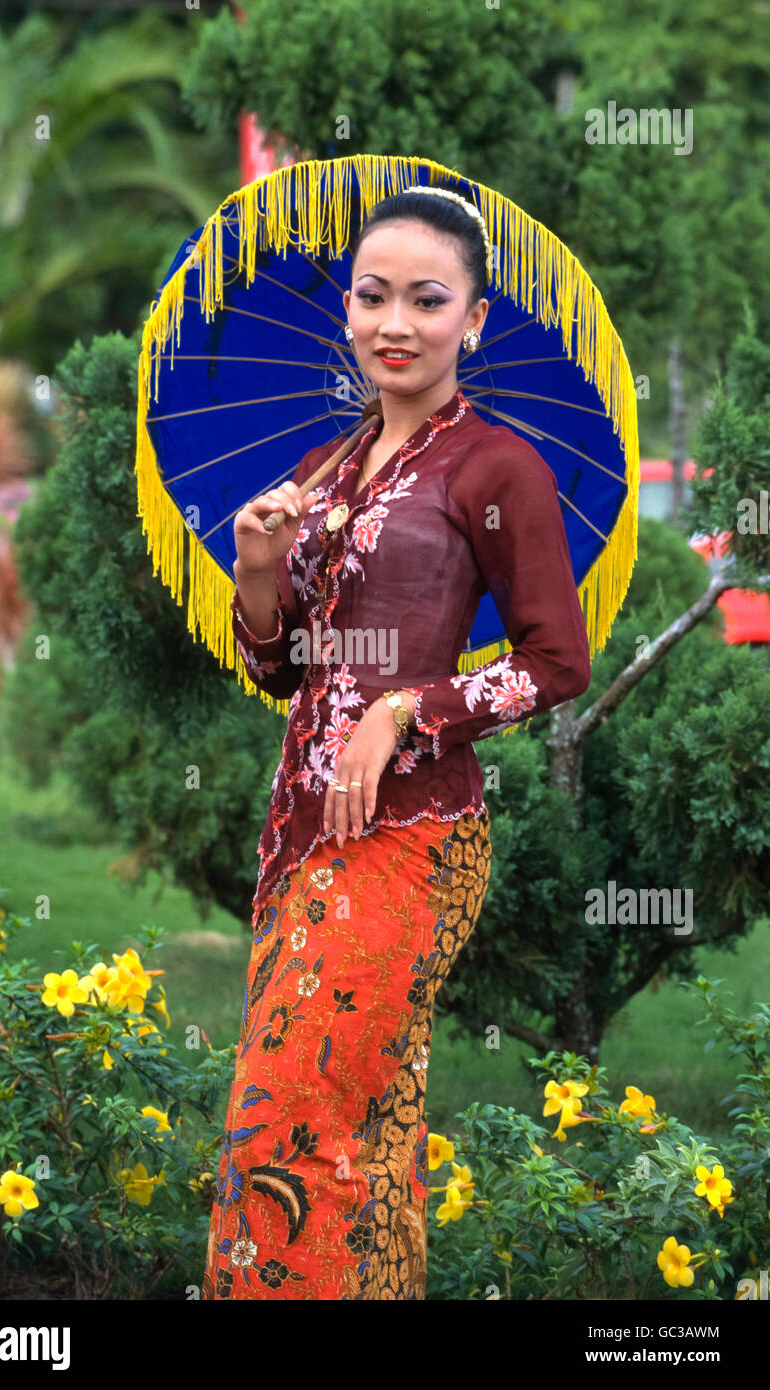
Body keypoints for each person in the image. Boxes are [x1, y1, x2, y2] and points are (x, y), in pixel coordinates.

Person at [201, 185, 591, 1301]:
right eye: (373, 296)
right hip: (303, 834)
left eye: (427, 300)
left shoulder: (494, 467)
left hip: (411, 840)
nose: (394, 323)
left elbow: (554, 663)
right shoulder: (325, 469)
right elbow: (281, 670)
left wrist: (409, 707)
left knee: (285, 1133)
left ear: (472, 318)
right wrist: (260, 572)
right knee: (365, 1139)